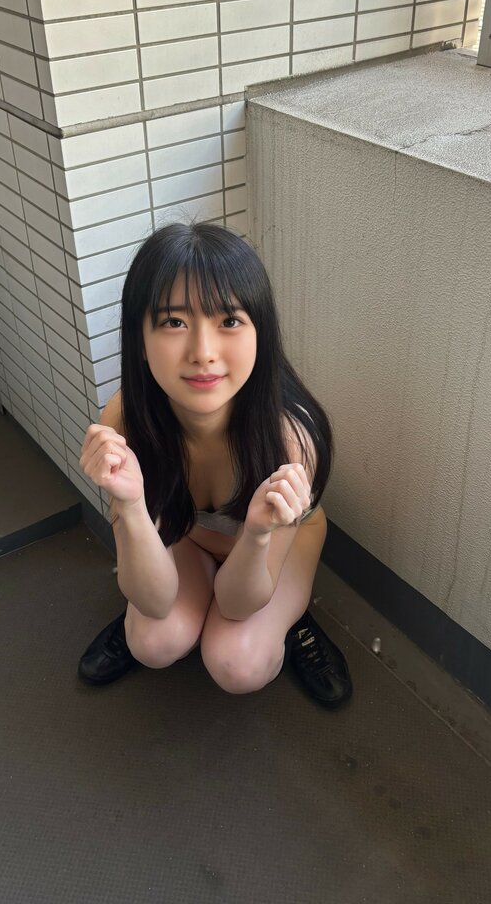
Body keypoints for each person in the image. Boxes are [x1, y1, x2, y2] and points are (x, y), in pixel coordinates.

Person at [77, 220, 352, 708]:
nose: (203, 353)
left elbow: (237, 603)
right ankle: (155, 616)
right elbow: (155, 599)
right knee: (152, 640)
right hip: (189, 535)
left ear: (260, 332)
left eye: (229, 320)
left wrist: (259, 533)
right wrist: (133, 507)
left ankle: (290, 619)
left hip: (274, 550)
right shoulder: (125, 422)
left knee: (237, 663)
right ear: (139, 337)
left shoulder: (288, 439)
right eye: (174, 322)